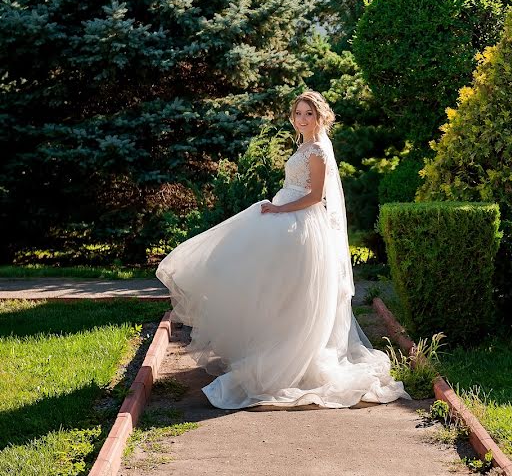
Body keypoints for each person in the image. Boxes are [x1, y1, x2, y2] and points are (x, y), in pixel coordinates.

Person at [156, 91, 409, 409]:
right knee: (276, 289)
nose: (302, 119)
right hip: (288, 217)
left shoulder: (317, 149)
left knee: (291, 291)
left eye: (309, 114)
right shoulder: (303, 145)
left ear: (320, 117)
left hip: (301, 222)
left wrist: (279, 211)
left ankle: (291, 359)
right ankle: (272, 348)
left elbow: (316, 196)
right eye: (298, 113)